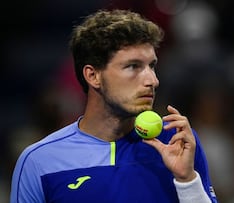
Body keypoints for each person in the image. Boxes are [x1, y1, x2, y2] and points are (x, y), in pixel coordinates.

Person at [10, 9, 217, 203]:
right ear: (93, 76)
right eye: (133, 66)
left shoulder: (177, 142)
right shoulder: (39, 161)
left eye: (152, 66)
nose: (152, 80)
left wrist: (187, 180)